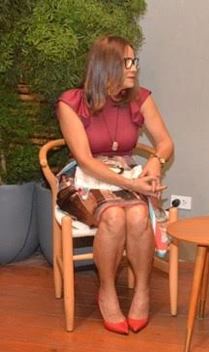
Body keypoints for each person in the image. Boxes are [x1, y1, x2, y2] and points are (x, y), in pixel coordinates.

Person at [56, 36, 174, 335]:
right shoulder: (71, 102)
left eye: (134, 61)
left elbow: (165, 142)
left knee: (135, 216)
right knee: (112, 216)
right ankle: (107, 290)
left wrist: (156, 161)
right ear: (105, 66)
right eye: (127, 62)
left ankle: (142, 291)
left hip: (126, 168)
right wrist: (132, 182)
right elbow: (84, 160)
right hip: (85, 175)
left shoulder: (140, 98)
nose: (134, 68)